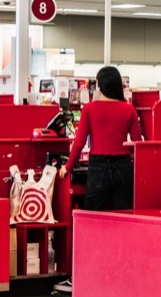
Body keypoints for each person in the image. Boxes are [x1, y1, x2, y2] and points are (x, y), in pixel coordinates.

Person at [61, 65, 143, 211]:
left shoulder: (89, 109)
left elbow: (79, 143)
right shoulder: (129, 109)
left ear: (99, 86)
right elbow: (137, 144)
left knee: (93, 216)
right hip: (123, 166)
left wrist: (67, 167)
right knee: (123, 215)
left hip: (98, 168)